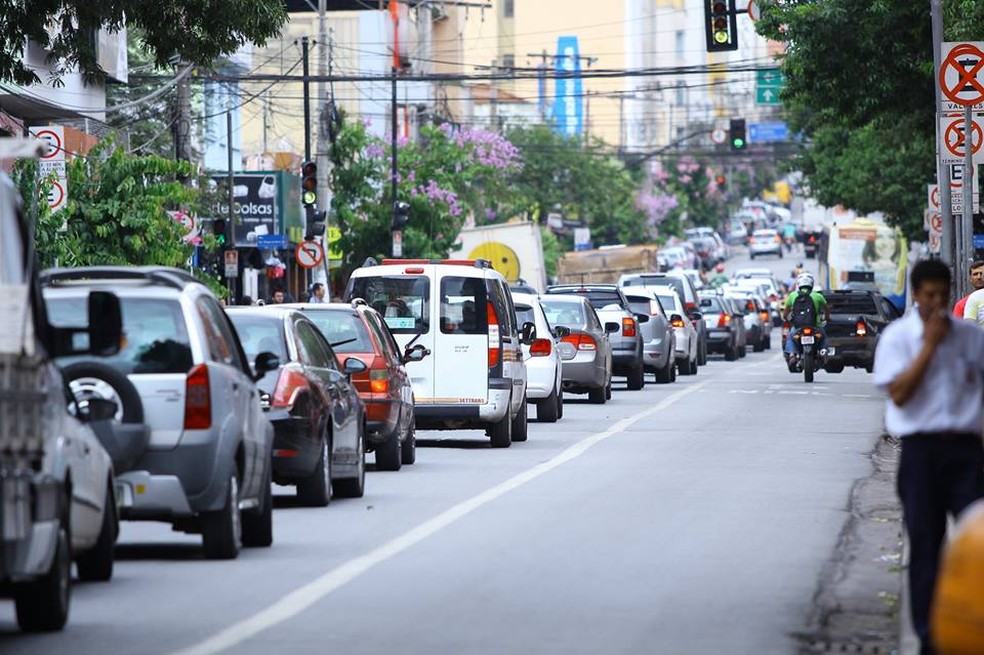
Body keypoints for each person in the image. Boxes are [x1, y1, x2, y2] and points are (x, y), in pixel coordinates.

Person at [872, 259, 984, 655]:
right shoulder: (899, 338)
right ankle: (927, 634)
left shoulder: (971, 337)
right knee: (925, 542)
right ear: (916, 295)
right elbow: (899, 394)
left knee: (976, 538)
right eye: (928, 296)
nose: (936, 303)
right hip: (920, 452)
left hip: (966, 452)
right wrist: (930, 347)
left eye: (942, 294)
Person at [781, 273, 830, 360]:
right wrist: (826, 318)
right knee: (824, 336)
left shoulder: (793, 295)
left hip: (798, 327)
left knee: (791, 337)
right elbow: (826, 309)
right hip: (815, 326)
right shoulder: (818, 296)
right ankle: (823, 351)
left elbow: (786, 311)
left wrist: (786, 318)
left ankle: (792, 354)